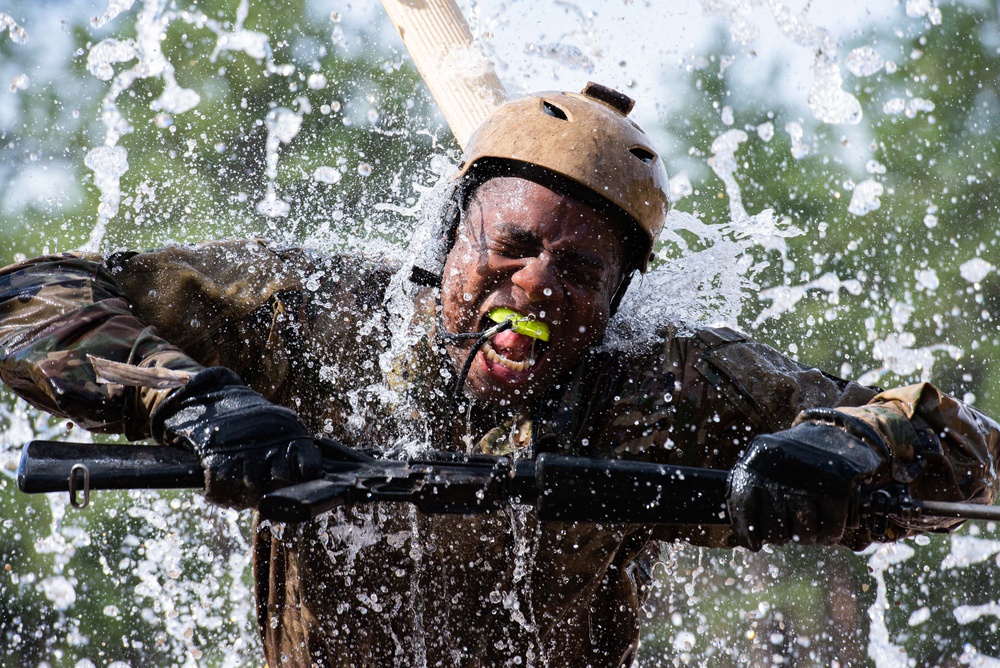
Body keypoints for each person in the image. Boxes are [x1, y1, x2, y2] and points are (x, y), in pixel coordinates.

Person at [0, 82, 996, 667]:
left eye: (577, 272)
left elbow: (963, 452)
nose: (536, 288)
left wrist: (845, 444)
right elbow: (28, 292)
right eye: (510, 249)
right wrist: (193, 396)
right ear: (447, 233)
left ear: (616, 299)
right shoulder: (309, 315)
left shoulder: (668, 381)